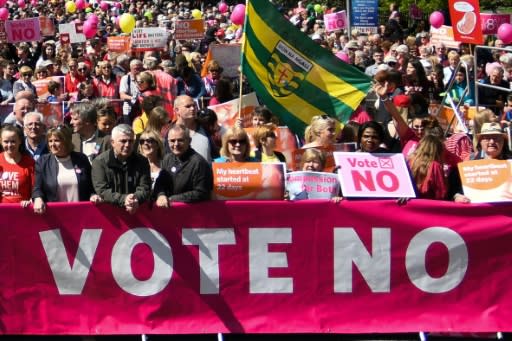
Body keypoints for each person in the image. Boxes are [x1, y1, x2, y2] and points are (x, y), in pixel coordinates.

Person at [32, 125, 100, 214]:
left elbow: (90, 185)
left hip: (81, 213)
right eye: (50, 141)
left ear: (66, 141)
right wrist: (38, 198)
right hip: (55, 215)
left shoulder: (81, 159)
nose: (52, 144)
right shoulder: (42, 162)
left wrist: (93, 195)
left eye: (56, 141)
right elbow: (37, 188)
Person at [91, 124, 151, 214]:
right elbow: (102, 190)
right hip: (111, 217)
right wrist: (124, 199)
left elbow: (145, 187)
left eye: (130, 141)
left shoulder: (142, 162)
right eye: (123, 141)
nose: (127, 145)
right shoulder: (100, 162)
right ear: (112, 142)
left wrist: (134, 199)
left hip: (137, 215)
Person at [155, 124, 213, 205]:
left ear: (189, 141)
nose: (176, 144)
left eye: (180, 140)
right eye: (172, 141)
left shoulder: (199, 163)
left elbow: (202, 192)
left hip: (192, 213)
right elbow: (160, 183)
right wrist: (161, 195)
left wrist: (173, 199)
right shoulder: (167, 159)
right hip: (168, 212)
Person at [453, 122, 510, 203]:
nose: (492, 142)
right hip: (477, 213)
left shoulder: (510, 164)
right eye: (487, 138)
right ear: (480, 141)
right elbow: (455, 189)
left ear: (503, 141)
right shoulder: (469, 162)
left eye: (496, 138)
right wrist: (457, 196)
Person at [0, 124, 34, 206]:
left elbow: (36, 189)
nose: (9, 145)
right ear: (0, 141)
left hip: (22, 210)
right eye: (6, 141)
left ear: (20, 141)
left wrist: (31, 200)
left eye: (13, 141)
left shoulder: (29, 162)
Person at [173, 95, 212, 162]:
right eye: (188, 106)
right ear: (177, 110)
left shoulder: (205, 127)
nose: (193, 108)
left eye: (194, 105)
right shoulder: (169, 132)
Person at [408, 134, 448, 200]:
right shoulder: (435, 166)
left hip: (409, 205)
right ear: (438, 151)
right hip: (428, 206)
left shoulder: (409, 161)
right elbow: (441, 194)